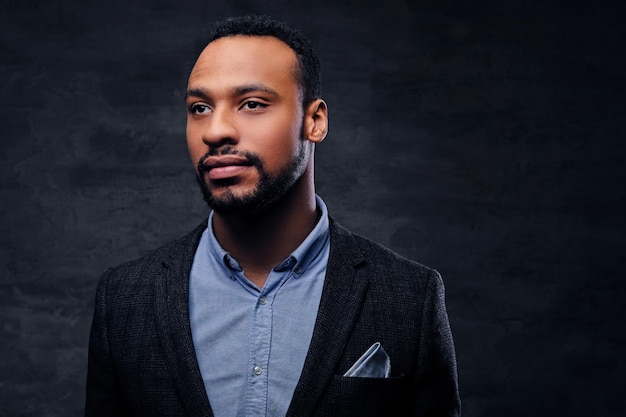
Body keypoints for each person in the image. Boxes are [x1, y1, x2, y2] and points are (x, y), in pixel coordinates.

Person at [84, 14, 461, 417]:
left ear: (314, 121)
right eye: (200, 107)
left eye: (251, 104)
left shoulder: (409, 296)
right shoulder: (124, 298)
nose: (215, 131)